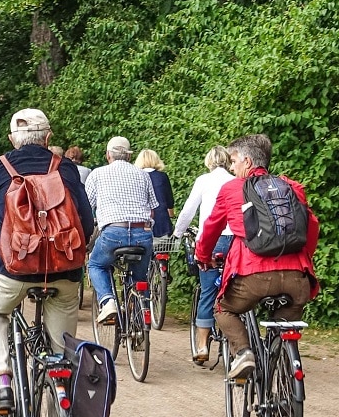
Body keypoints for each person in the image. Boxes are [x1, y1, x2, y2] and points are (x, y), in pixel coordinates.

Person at [0, 109, 94, 412]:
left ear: (11, 139)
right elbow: (86, 219)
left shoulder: (0, 167)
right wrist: (75, 250)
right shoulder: (65, 167)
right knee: (62, 345)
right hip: (64, 268)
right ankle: (61, 390)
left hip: (14, 268)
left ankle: (3, 381)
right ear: (48, 137)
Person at [195, 134, 319, 379]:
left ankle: (243, 353)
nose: (232, 168)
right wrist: (302, 259)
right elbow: (312, 226)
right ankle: (279, 358)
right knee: (287, 320)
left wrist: (203, 256)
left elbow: (211, 229)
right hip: (297, 278)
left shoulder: (232, 189)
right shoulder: (292, 187)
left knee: (223, 309)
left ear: (247, 161)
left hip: (252, 275)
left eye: (233, 161)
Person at [173, 145, 236, 362]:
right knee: (237, 289)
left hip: (213, 240)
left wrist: (177, 233)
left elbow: (188, 211)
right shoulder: (236, 181)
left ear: (209, 162)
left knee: (208, 290)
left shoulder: (203, 180)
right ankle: (238, 341)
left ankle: (202, 346)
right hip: (235, 241)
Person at [85, 136, 158, 323]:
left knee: (96, 265)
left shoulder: (97, 174)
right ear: (129, 156)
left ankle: (108, 301)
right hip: (142, 234)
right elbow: (152, 209)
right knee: (140, 279)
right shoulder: (143, 175)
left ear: (108, 155)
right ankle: (140, 316)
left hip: (113, 234)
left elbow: (86, 208)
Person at [134, 149, 176, 238]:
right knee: (162, 245)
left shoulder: (135, 178)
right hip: (161, 223)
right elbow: (169, 201)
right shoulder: (162, 176)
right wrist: (171, 215)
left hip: (141, 223)